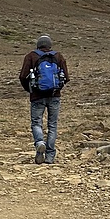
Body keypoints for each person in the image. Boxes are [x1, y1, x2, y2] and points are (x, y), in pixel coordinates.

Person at [19, 35, 69, 164]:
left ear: (38, 45)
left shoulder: (31, 56)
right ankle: (50, 156)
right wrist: (57, 88)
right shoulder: (58, 56)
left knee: (36, 123)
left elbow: (23, 76)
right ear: (50, 45)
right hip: (54, 96)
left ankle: (40, 142)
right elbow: (66, 77)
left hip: (37, 96)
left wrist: (30, 89)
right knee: (52, 125)